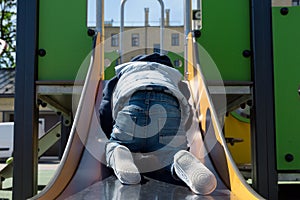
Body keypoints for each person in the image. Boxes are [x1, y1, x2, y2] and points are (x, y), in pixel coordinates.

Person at [99, 53, 217, 195]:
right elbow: (187, 106)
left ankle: (120, 151)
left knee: (115, 144)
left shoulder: (124, 73)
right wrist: (180, 131)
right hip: (168, 109)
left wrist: (109, 132)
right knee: (169, 154)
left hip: (132, 105)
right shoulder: (172, 77)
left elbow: (105, 106)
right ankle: (178, 157)